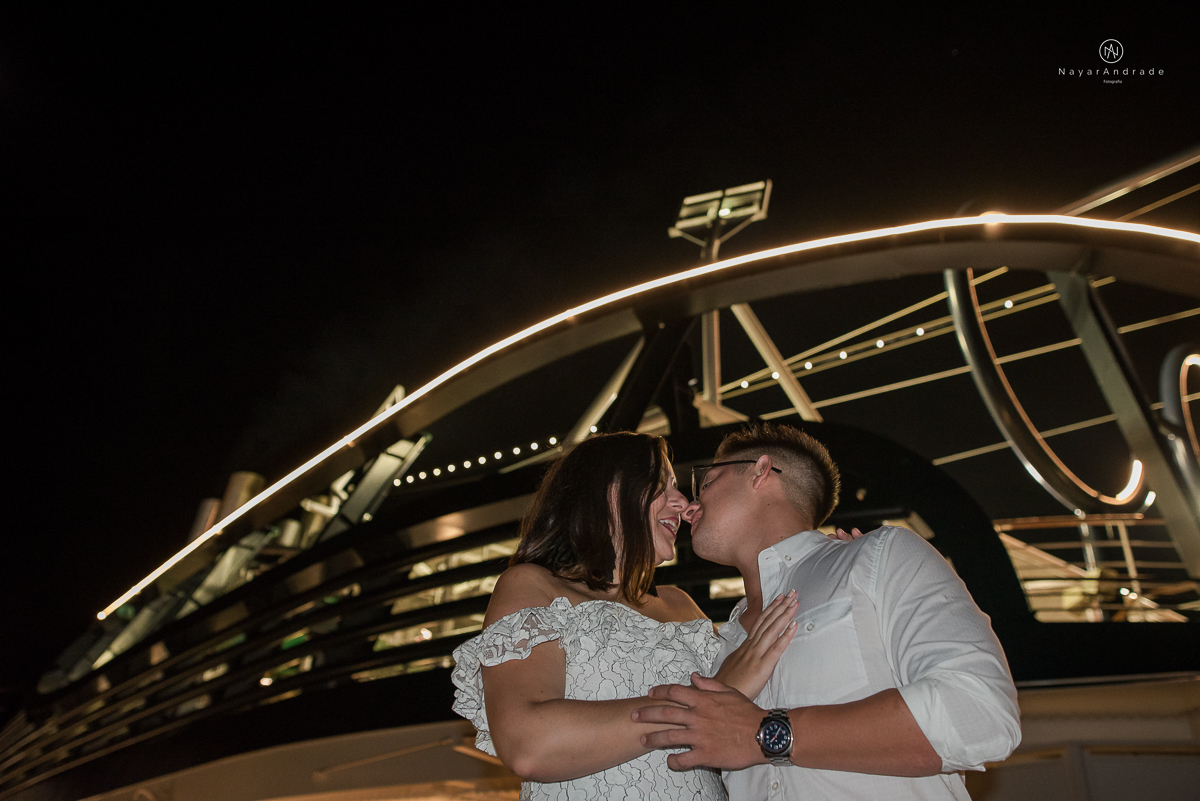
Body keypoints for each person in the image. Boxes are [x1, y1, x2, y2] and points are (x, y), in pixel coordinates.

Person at [633, 422, 1021, 800]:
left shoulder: (880, 557)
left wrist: (764, 732)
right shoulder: (719, 646)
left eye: (706, 482)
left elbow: (979, 713)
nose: (689, 505)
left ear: (761, 472)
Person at [450, 431, 803, 800]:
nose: (683, 502)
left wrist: (820, 569)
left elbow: (761, 679)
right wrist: (700, 707)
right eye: (663, 485)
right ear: (608, 488)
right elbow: (529, 744)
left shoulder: (680, 605)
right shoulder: (533, 586)